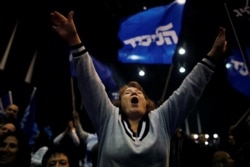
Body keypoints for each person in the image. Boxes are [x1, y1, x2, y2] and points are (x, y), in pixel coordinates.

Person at [50, 10, 227, 167]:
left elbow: (188, 90)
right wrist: (74, 41)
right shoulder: (107, 118)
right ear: (119, 103)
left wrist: (212, 57)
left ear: (147, 102)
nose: (134, 92)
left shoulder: (162, 119)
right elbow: (90, 83)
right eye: (128, 92)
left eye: (139, 93)